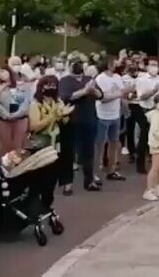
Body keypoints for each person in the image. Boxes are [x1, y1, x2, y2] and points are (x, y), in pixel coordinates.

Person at [28, 75, 73, 213]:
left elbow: (65, 122)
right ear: (40, 87)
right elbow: (34, 126)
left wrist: (65, 114)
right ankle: (31, 205)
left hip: (55, 146)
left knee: (51, 179)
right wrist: (53, 115)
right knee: (37, 179)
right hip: (40, 146)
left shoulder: (57, 101)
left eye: (53, 85)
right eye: (47, 85)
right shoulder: (35, 104)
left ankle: (46, 206)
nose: (50, 88)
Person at [59, 57, 103, 192]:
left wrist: (93, 90)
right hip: (71, 120)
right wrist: (84, 91)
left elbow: (100, 95)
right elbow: (66, 97)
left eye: (80, 63)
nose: (78, 66)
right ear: (69, 66)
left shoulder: (89, 79)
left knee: (88, 152)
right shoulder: (64, 80)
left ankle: (89, 181)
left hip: (89, 119)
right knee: (68, 153)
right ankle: (67, 183)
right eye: (74, 64)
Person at [94, 58, 129, 183]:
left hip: (115, 114)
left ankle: (111, 170)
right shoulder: (100, 78)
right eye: (113, 63)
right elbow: (103, 97)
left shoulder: (117, 77)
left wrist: (121, 97)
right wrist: (118, 94)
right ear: (108, 64)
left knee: (114, 142)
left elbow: (123, 92)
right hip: (102, 115)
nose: (116, 65)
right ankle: (95, 172)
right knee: (100, 144)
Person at [134, 59, 159, 173]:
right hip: (145, 110)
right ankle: (140, 163)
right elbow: (141, 97)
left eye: (156, 65)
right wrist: (153, 92)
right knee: (144, 136)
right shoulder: (142, 80)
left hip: (158, 110)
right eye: (152, 65)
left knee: (157, 135)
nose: (154, 68)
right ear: (147, 67)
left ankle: (156, 161)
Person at [0, 65, 31, 156]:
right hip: (2, 120)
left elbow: (26, 101)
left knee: (18, 146)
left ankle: (18, 167)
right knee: (6, 147)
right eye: (0, 72)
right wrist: (5, 114)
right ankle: (5, 168)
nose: (3, 74)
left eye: (4, 71)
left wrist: (17, 114)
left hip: (20, 119)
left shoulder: (20, 85)